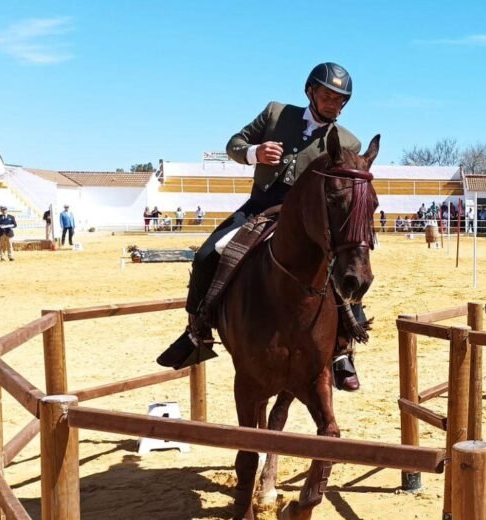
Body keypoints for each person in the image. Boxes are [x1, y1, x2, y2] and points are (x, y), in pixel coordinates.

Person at [157, 62, 367, 393]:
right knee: (207, 255)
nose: (333, 103)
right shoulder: (275, 113)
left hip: (309, 218)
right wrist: (254, 153)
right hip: (259, 206)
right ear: (310, 91)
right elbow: (234, 143)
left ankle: (342, 350)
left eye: (340, 99)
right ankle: (197, 330)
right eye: (328, 95)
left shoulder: (348, 142)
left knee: (347, 267)